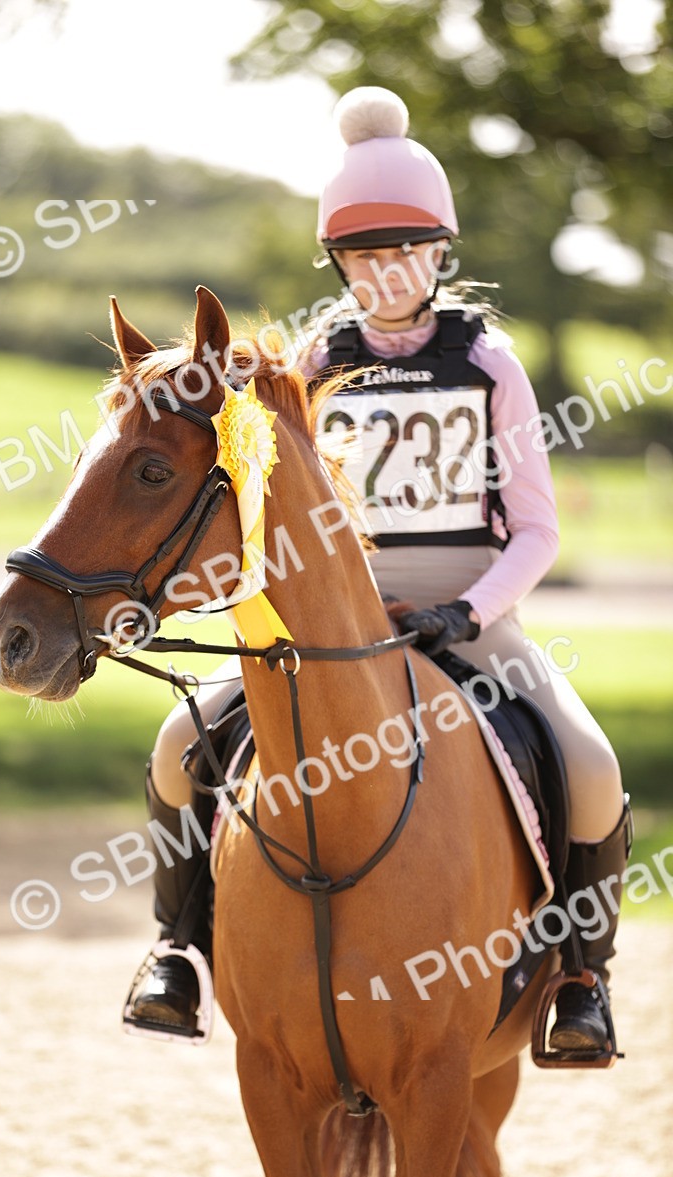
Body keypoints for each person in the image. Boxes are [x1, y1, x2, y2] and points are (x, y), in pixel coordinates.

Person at [126, 87, 631, 1056]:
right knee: (171, 749)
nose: (384, 272)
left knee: (592, 770)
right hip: (329, 612)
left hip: (470, 612)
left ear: (438, 254)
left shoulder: (489, 362)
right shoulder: (314, 359)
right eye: (362, 256)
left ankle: (577, 982)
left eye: (404, 251)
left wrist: (463, 613)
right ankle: (178, 953)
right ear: (339, 263)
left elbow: (534, 531)